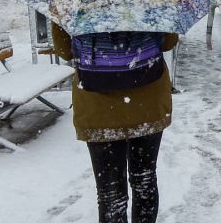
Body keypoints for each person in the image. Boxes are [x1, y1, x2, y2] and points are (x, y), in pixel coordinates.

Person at [52, 24, 178, 223]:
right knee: (144, 179)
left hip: (98, 109)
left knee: (110, 194)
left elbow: (64, 50)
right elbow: (168, 42)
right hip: (148, 102)